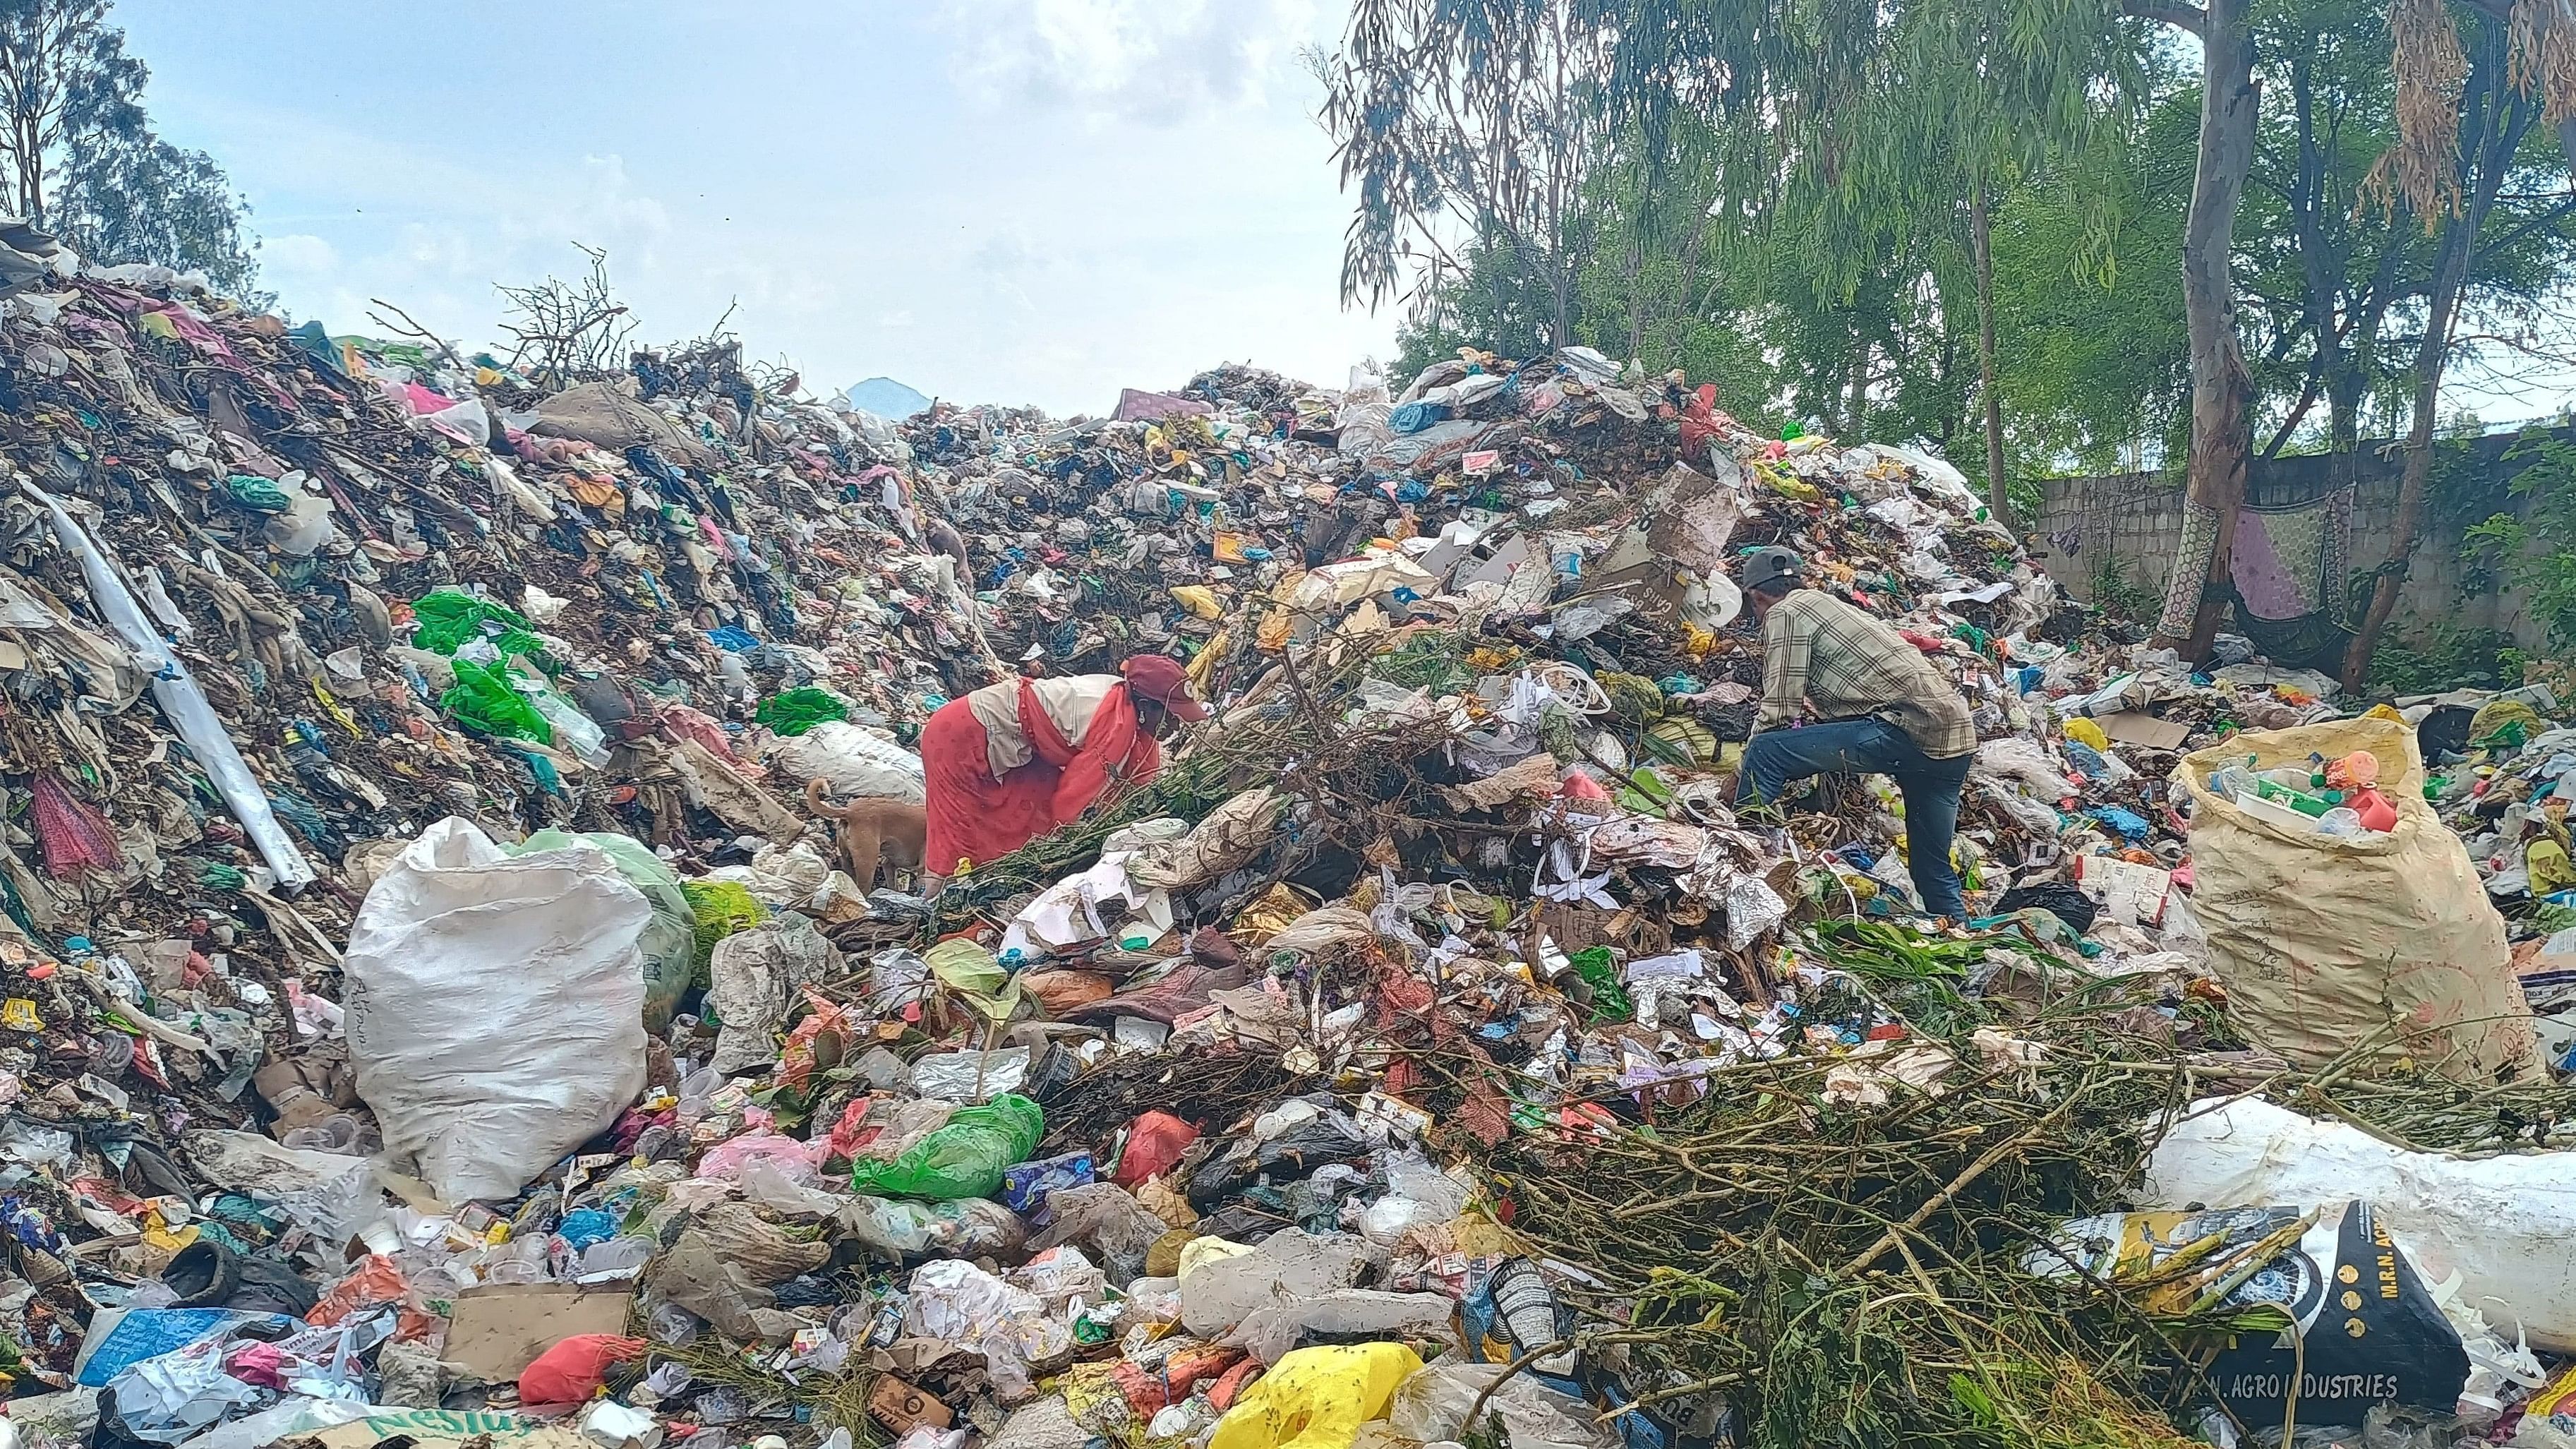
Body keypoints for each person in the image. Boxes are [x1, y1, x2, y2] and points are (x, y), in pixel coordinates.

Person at [1728, 546, 1978, 918]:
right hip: (1954, 736)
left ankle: (1740, 864)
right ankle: (1963, 941)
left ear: (1757, 595)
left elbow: (1781, 706)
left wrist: (1742, 771)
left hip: (1903, 728)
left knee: (1767, 751)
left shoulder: (1785, 613)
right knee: (1932, 866)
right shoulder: (1828, 604)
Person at [917, 654, 1210, 891]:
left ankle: (999, 879)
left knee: (1032, 811)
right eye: (1172, 716)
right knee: (956, 834)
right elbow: (1075, 804)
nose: (1176, 725)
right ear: (1146, 706)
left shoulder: (1128, 704)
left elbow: (1137, 784)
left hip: (1015, 744)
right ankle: (933, 902)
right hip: (959, 736)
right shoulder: (1115, 725)